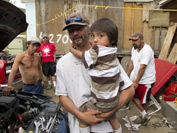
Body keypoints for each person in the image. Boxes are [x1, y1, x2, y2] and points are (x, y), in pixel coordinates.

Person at [55, 11, 135, 133]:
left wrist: (109, 112)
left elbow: (129, 90)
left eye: (79, 28)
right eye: (71, 30)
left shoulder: (106, 57)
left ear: (88, 30)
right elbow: (62, 97)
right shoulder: (62, 63)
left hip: (104, 128)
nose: (75, 33)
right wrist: (80, 115)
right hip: (78, 127)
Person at [70, 18, 122, 132]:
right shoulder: (113, 51)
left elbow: (82, 55)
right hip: (114, 99)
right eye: (93, 36)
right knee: (112, 118)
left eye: (100, 36)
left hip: (103, 101)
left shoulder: (98, 50)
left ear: (112, 38)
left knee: (82, 115)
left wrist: (71, 49)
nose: (95, 40)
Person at [127, 32, 156, 125]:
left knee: (144, 102)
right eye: (132, 40)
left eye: (135, 40)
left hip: (146, 80)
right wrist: (127, 75)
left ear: (142, 40)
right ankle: (144, 115)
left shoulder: (147, 50)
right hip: (136, 79)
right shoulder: (134, 49)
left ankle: (144, 117)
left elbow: (142, 67)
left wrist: (136, 82)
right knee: (132, 95)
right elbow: (132, 62)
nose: (133, 42)